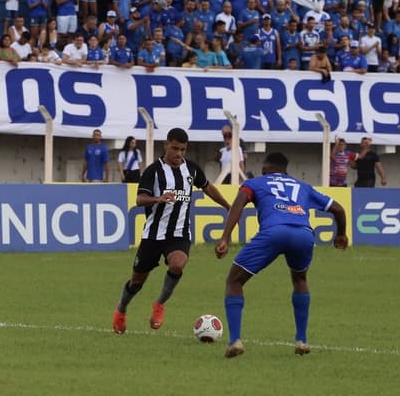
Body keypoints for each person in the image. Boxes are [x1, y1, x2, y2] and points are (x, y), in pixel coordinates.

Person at [214, 152, 348, 357]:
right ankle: (302, 340)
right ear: (285, 170)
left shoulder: (255, 183)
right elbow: (338, 209)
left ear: (265, 169)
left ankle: (235, 341)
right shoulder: (303, 186)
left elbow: (238, 205)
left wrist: (225, 237)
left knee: (234, 281)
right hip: (303, 235)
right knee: (300, 278)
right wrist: (341, 234)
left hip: (273, 232)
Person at [112, 128, 231, 334]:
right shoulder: (153, 171)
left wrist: (229, 207)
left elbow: (208, 187)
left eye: (183, 149)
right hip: (153, 235)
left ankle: (159, 305)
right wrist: (158, 198)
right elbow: (140, 199)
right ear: (166, 145)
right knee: (137, 282)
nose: (179, 154)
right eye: (175, 148)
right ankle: (121, 310)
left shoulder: (192, 169)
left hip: (179, 233)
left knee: (178, 264)